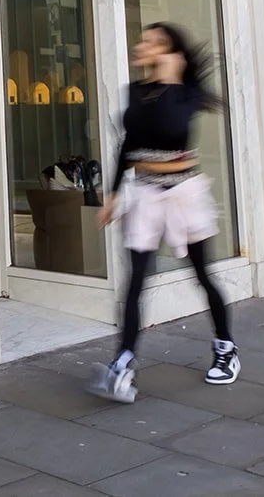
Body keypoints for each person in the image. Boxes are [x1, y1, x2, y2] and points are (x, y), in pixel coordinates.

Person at [88, 22, 237, 403]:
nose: (142, 46)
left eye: (154, 43)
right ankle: (123, 361)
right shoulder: (137, 92)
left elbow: (173, 131)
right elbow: (129, 145)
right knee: (136, 279)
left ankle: (225, 348)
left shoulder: (185, 95)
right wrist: (113, 194)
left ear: (172, 54)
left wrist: (172, 79)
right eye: (143, 40)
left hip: (185, 192)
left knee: (203, 275)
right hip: (145, 193)